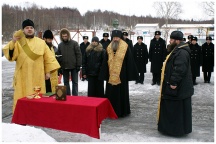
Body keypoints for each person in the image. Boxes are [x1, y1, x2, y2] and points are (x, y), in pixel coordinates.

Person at [2, 19, 60, 112]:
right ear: (23, 30)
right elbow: (10, 56)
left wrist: (48, 72)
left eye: (31, 28)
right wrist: (13, 41)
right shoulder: (18, 42)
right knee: (21, 99)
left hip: (38, 76)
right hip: (22, 77)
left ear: (34, 30)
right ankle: (20, 117)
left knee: (38, 98)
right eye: (27, 28)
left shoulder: (41, 43)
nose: (29, 29)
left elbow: (49, 58)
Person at [158, 30, 194, 136]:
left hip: (178, 87)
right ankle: (171, 129)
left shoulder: (181, 52)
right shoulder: (177, 49)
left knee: (176, 109)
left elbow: (179, 69)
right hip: (178, 87)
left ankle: (174, 130)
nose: (170, 41)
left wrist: (173, 82)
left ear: (177, 41)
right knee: (175, 109)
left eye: (172, 39)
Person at [99, 30, 138, 117]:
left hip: (122, 75)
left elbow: (130, 61)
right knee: (111, 93)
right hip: (110, 74)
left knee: (121, 93)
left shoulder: (125, 47)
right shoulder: (109, 47)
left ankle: (122, 111)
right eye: (114, 38)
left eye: (117, 38)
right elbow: (105, 61)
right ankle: (109, 111)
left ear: (120, 38)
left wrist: (129, 74)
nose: (115, 39)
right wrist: (104, 73)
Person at [56, 28, 82, 95]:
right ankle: (68, 96)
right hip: (64, 66)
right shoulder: (60, 45)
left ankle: (75, 96)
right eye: (63, 36)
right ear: (61, 36)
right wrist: (60, 67)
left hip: (74, 66)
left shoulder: (74, 43)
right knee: (66, 82)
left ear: (68, 35)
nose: (64, 37)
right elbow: (58, 57)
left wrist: (78, 65)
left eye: (66, 36)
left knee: (75, 82)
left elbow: (78, 54)